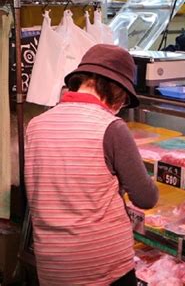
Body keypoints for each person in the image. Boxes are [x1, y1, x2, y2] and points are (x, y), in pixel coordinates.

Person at [25, 44, 159, 285]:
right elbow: (146, 198)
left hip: (52, 264)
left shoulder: (36, 124)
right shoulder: (111, 127)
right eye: (124, 99)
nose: (121, 105)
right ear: (116, 89)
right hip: (103, 267)